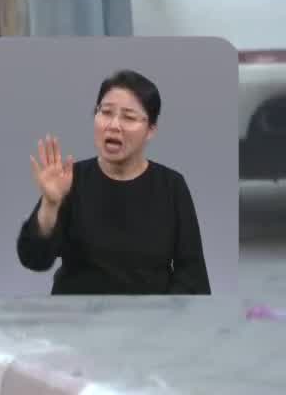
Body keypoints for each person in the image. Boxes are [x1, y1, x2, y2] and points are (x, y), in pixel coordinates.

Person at [17, 71, 210, 294]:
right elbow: (34, 259)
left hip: (150, 321)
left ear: (150, 131)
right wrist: (50, 204)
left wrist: (163, 319)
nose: (114, 125)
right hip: (77, 320)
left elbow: (193, 277)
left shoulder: (171, 186)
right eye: (106, 113)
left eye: (128, 117)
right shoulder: (71, 180)